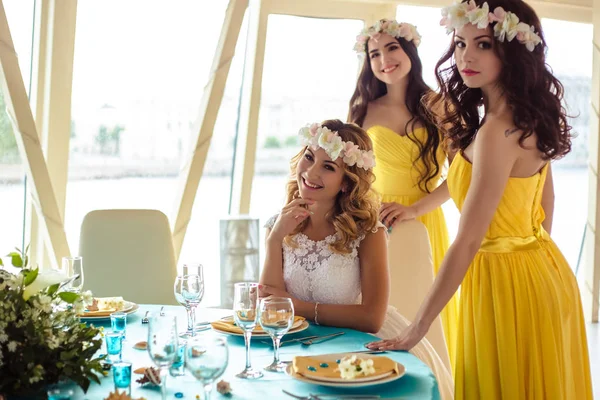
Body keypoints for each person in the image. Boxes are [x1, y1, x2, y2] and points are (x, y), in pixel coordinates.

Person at [367, 1, 593, 398]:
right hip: (539, 268)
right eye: (459, 43)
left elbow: (469, 240)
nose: (466, 56)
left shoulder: (497, 131)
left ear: (513, 51)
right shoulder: (525, 117)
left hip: (502, 279)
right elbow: (547, 205)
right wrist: (530, 262)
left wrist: (414, 331)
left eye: (483, 44)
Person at [259, 119, 453, 399]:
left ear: (347, 183)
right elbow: (269, 309)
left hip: (357, 347)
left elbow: (372, 318)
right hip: (293, 346)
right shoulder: (277, 225)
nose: (311, 172)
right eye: (309, 158)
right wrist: (274, 239)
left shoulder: (368, 232)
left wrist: (297, 306)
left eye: (328, 167)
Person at [349, 19, 459, 366]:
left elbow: (462, 176)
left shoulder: (441, 106)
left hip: (425, 218)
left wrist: (416, 210)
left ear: (410, 49)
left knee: (424, 306)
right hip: (378, 222)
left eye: (392, 48)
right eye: (375, 53)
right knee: (384, 308)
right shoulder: (363, 110)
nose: (384, 60)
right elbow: (353, 177)